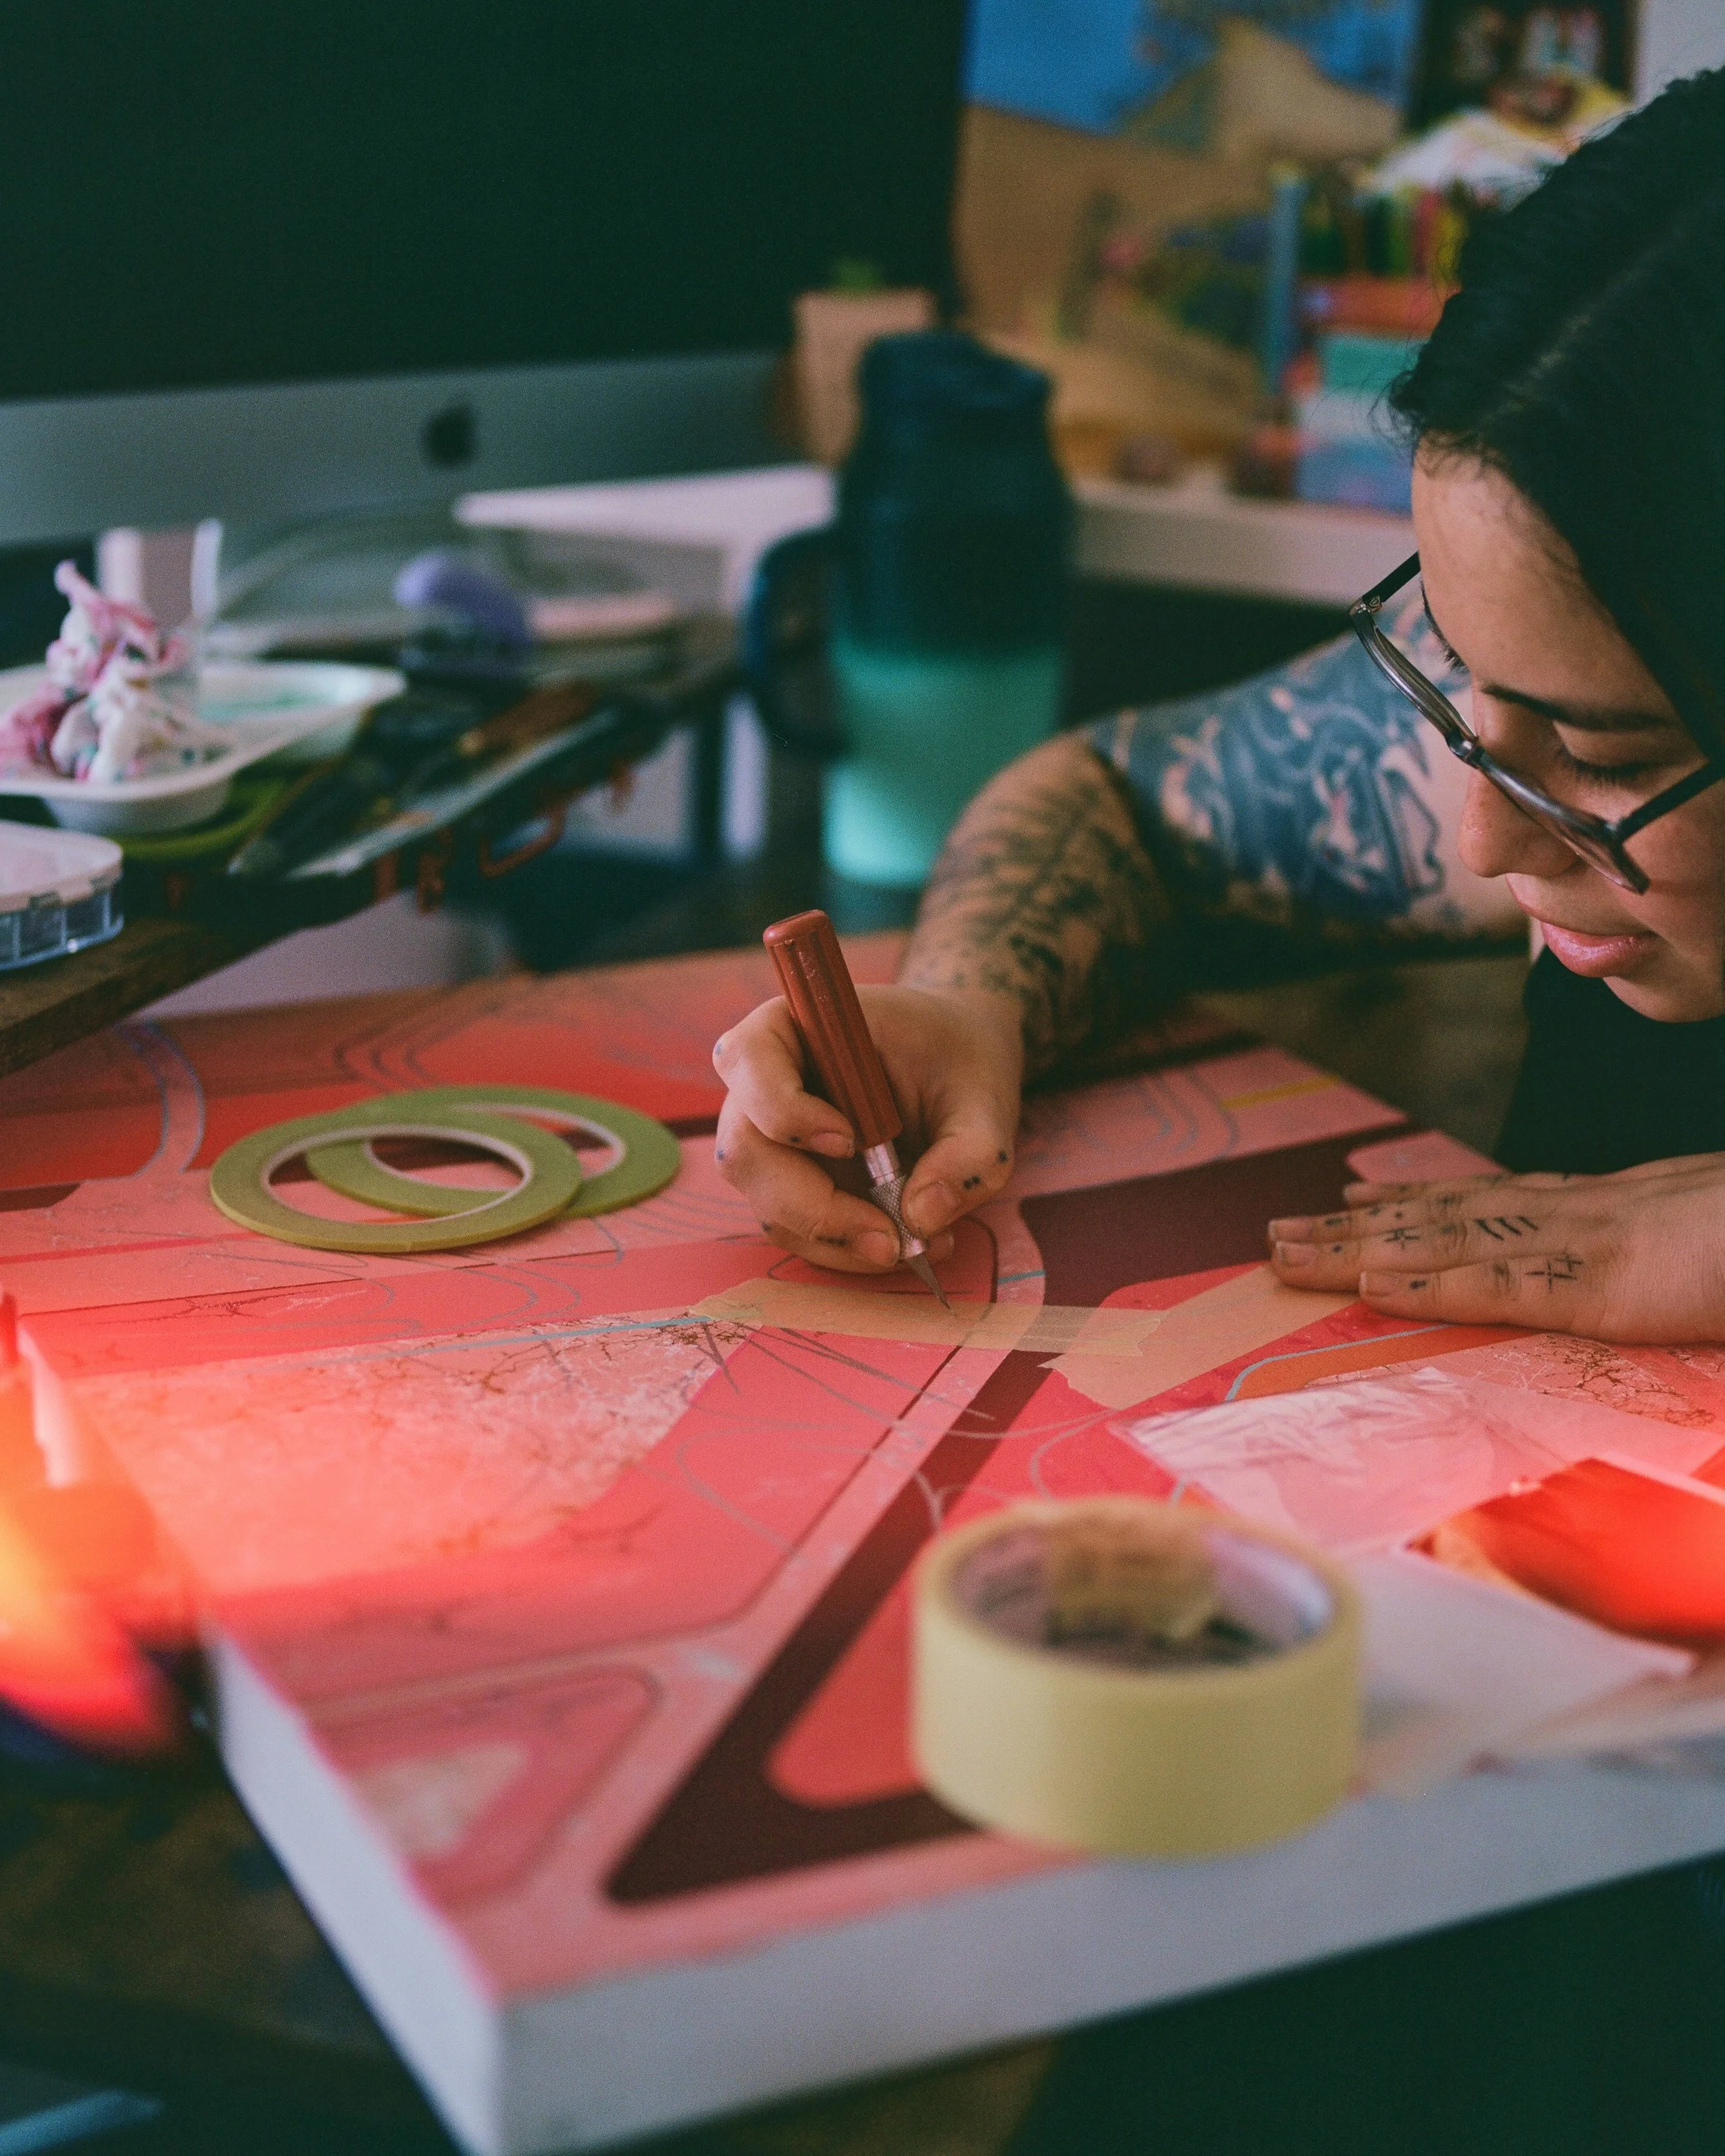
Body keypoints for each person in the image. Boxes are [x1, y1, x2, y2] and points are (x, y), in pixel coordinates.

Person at [715, 66, 1725, 1349]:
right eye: (1462, 687)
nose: (1484, 840)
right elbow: (1118, 802)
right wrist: (971, 1009)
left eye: (1596, 754)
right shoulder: (1580, 661)